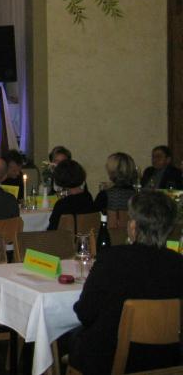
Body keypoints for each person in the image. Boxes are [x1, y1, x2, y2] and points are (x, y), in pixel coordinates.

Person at [69, 190, 183, 374]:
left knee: (72, 337)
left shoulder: (112, 259)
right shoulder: (178, 264)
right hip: (168, 359)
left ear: (133, 226)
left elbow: (85, 313)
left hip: (110, 360)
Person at [47, 159, 96, 231]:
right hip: (87, 237)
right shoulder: (88, 197)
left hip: (66, 238)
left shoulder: (61, 204)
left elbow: (52, 231)